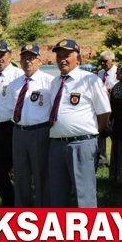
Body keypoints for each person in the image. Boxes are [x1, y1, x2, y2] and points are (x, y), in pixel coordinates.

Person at [48, 39, 110, 208]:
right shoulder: (54, 83)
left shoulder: (90, 80)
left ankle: (88, 231)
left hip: (81, 143)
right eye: (59, 56)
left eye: (67, 55)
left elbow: (104, 112)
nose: (62, 59)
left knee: (84, 195)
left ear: (79, 58)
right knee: (57, 194)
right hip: (56, 145)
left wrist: (93, 132)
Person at [7, 44, 54, 207]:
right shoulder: (14, 84)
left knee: (41, 173)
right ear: (19, 61)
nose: (28, 61)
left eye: (32, 58)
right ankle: (22, 208)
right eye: (24, 58)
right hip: (18, 133)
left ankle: (43, 209)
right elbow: (11, 108)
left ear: (39, 61)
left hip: (39, 132)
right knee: (20, 174)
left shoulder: (49, 82)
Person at [0, 42, 23, 207]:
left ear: (9, 55)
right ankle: (10, 201)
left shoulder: (18, 74)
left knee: (17, 170)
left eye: (1, 55)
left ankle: (21, 203)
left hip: (13, 127)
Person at [97, 51, 119, 168]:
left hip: (114, 109)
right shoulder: (100, 73)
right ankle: (102, 160)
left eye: (105, 61)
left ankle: (116, 160)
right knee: (100, 134)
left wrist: (109, 88)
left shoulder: (118, 72)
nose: (102, 63)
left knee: (114, 134)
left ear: (112, 61)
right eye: (101, 61)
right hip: (101, 109)